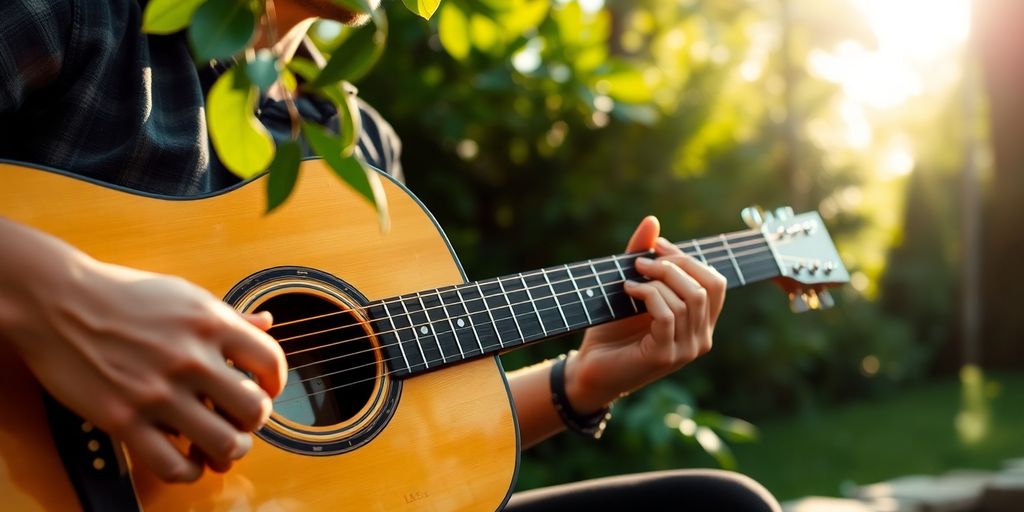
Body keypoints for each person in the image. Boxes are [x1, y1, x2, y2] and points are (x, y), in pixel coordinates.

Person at [0, 0, 781, 510]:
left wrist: (581, 382)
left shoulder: (360, 149)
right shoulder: (84, 17)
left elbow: (394, 457)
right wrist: (60, 295)